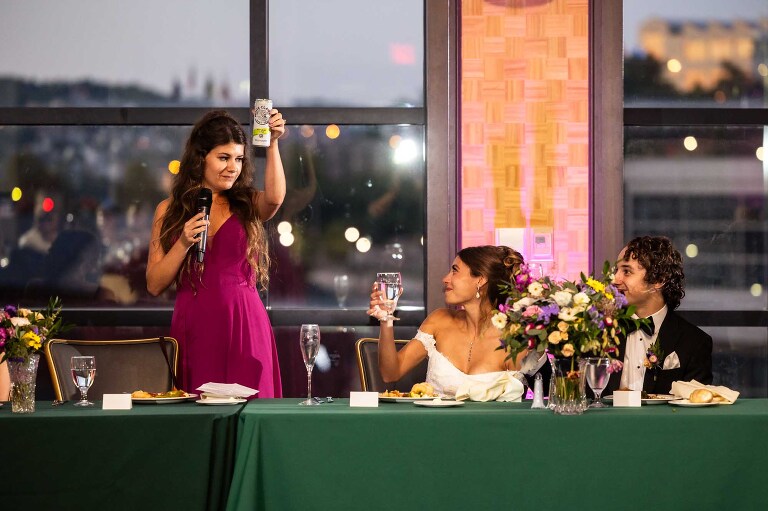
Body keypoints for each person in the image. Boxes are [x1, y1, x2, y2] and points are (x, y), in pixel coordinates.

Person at [146, 109, 286, 397]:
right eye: (223, 158)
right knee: (196, 418)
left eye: (238, 159)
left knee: (250, 413)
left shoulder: (245, 203)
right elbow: (154, 283)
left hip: (244, 322)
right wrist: (183, 242)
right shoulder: (168, 210)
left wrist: (273, 143)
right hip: (194, 326)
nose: (232, 167)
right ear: (201, 158)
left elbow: (274, 199)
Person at [368, 245, 543, 399]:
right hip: (433, 429)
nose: (445, 278)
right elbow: (391, 374)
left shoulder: (514, 338)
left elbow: (543, 399)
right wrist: (386, 320)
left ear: (480, 280)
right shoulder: (439, 321)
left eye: (455, 270)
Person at [606, 235, 713, 395]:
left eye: (626, 271)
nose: (615, 279)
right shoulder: (597, 332)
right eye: (616, 270)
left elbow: (694, 412)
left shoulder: (694, 342)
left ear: (659, 279)